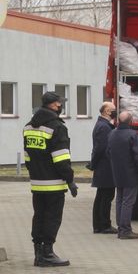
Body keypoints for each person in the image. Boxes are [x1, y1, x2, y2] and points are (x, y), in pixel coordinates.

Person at [23, 91, 77, 267]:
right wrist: (70, 180)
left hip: (37, 183)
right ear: (54, 105)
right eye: (60, 103)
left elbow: (28, 157)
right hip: (54, 184)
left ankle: (38, 253)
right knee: (52, 218)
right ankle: (47, 254)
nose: (61, 106)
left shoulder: (28, 127)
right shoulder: (57, 127)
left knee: (39, 216)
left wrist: (36, 174)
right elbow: (61, 158)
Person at [107, 111, 138, 239]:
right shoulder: (133, 135)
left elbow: (108, 152)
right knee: (128, 202)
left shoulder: (112, 134)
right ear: (131, 122)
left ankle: (121, 228)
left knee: (120, 199)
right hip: (131, 173)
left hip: (117, 172)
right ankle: (125, 230)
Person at [89, 101, 118, 234]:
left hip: (103, 166)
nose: (115, 111)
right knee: (106, 196)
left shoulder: (103, 125)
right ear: (106, 111)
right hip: (105, 167)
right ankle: (104, 225)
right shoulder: (104, 127)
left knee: (102, 195)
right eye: (113, 109)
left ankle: (99, 225)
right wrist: (93, 164)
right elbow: (100, 148)